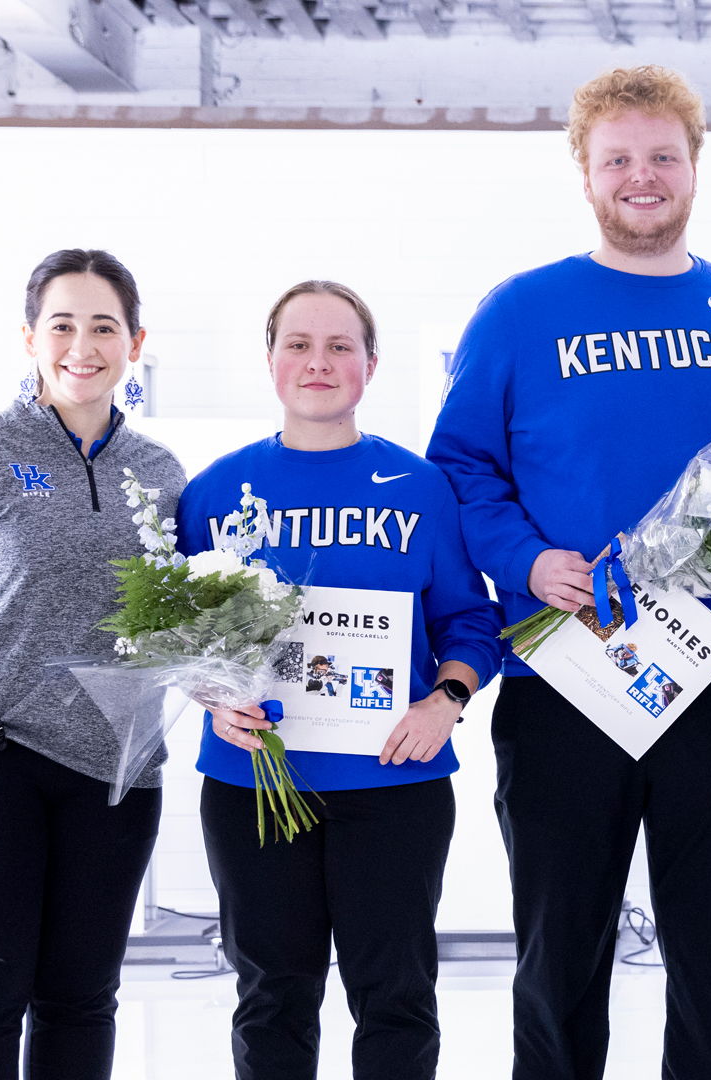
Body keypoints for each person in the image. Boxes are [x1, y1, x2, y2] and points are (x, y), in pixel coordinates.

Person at [425, 65, 711, 1080]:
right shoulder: (519, 312)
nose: (642, 177)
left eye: (662, 156)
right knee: (560, 963)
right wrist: (526, 561)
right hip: (563, 684)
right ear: (585, 172)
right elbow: (458, 469)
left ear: (694, 167)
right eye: (618, 159)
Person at [174, 281, 503, 1080]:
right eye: (298, 343)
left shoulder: (423, 488)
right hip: (255, 779)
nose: (317, 362)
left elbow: (472, 623)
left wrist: (446, 700)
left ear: (371, 364)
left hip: (393, 780)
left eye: (339, 346)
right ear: (270, 360)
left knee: (394, 996)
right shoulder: (215, 491)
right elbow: (180, 639)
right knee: (271, 996)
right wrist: (211, 698)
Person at [0, 249, 186, 1080]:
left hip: (115, 774)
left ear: (135, 341)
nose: (81, 345)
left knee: (82, 999)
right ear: (29, 338)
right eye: (62, 325)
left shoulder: (161, 474)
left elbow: (178, 625)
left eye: (103, 326)